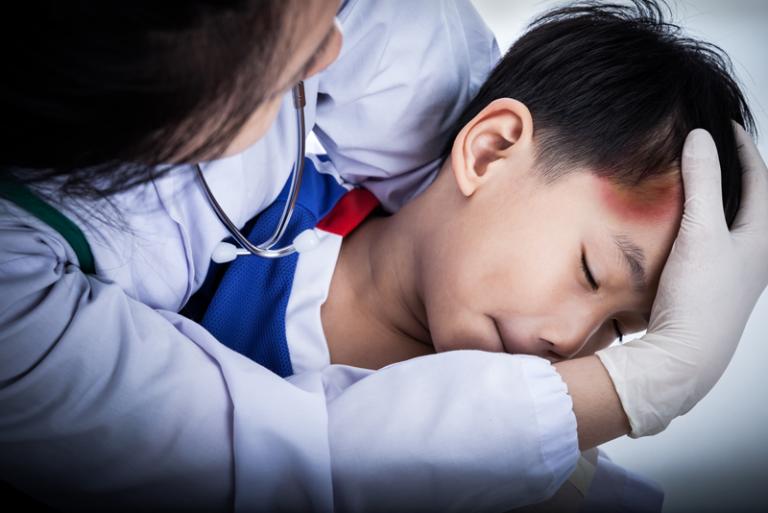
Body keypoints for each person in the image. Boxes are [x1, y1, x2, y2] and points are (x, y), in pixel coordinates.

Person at [0, 0, 766, 512]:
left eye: (619, 333)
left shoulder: (559, 485)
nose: (576, 342)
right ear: (492, 146)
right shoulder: (247, 212)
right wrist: (641, 386)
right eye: (593, 272)